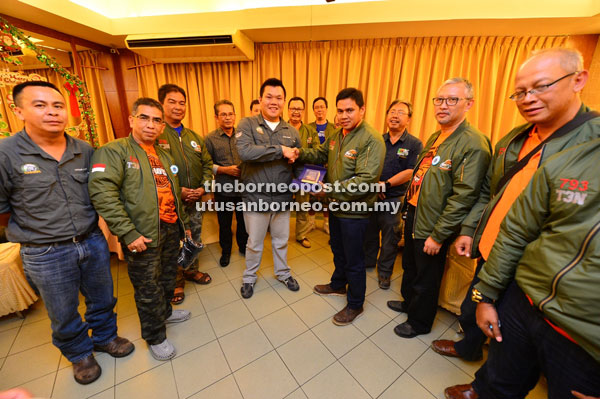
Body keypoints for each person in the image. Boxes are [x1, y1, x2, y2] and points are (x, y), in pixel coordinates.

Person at [441, 48, 600, 399]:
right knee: (488, 327)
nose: (528, 99)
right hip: (496, 250)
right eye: (520, 92)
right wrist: (471, 229)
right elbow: (488, 190)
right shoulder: (514, 139)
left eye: (540, 87)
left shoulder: (590, 147)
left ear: (579, 80)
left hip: (543, 278)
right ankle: (476, 366)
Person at [0, 81, 134, 385]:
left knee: (102, 297)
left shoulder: (85, 150)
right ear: (18, 110)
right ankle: (79, 353)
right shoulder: (6, 153)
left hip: (91, 240)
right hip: (45, 251)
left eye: (58, 106)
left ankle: (104, 337)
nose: (52, 112)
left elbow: (102, 192)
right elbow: (2, 209)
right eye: (40, 105)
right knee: (62, 309)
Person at [452, 139, 600, 399]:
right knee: (499, 382)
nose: (530, 98)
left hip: (583, 333)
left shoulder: (581, 136)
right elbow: (516, 230)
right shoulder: (570, 158)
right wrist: (486, 295)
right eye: (522, 93)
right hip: (524, 298)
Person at [88, 97, 192, 362]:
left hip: (169, 229)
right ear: (132, 120)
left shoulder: (164, 154)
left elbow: (173, 194)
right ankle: (155, 336)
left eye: (157, 120)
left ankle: (166, 313)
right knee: (148, 288)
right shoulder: (114, 151)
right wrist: (128, 233)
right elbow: (102, 193)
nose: (151, 125)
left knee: (168, 277)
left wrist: (184, 227)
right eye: (144, 118)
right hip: (142, 233)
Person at [387, 77, 491, 338]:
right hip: (414, 213)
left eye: (452, 100)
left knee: (427, 275)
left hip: (434, 223)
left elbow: (464, 196)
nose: (443, 106)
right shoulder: (438, 135)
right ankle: (409, 304)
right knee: (409, 265)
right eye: (439, 99)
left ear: (468, 104)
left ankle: (420, 322)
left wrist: (438, 235)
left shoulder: (473, 143)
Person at [297, 87, 385, 325]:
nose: (344, 115)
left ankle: (356, 304)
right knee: (338, 250)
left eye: (350, 110)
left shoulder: (371, 139)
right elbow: (319, 154)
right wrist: (298, 152)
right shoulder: (337, 135)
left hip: (355, 212)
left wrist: (329, 190)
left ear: (362, 110)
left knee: (354, 258)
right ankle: (338, 285)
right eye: (340, 110)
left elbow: (365, 180)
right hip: (336, 207)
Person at [235, 78, 301, 299]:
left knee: (281, 240)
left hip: (282, 197)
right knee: (254, 243)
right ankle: (249, 277)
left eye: (279, 98)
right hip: (255, 197)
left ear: (284, 101)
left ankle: (283, 273)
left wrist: (302, 168)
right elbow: (245, 152)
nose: (274, 102)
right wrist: (280, 150)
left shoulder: (291, 131)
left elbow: (298, 161)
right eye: (269, 97)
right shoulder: (247, 124)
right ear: (261, 98)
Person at [157, 84, 212, 305]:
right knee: (174, 243)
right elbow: (153, 169)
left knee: (194, 238)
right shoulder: (156, 135)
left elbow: (207, 164)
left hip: (196, 200)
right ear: (161, 104)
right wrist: (177, 190)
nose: (178, 107)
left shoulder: (194, 137)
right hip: (170, 202)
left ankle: (191, 270)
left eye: (182, 103)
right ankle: (176, 281)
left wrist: (203, 187)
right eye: (172, 101)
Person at [364, 100, 423, 289]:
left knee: (391, 236)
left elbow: (411, 171)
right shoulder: (377, 140)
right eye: (392, 111)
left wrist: (386, 185)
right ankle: (368, 261)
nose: (395, 115)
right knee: (370, 231)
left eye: (400, 112)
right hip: (374, 195)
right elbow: (367, 166)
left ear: (409, 119)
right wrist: (375, 186)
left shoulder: (414, 144)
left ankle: (384, 273)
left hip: (394, 198)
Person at [205, 100, 248, 267]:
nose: (228, 117)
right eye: (223, 114)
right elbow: (206, 164)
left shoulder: (244, 135)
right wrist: (224, 170)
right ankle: (226, 251)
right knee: (225, 224)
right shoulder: (210, 138)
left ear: (235, 115)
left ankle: (244, 247)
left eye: (230, 114)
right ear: (216, 117)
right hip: (223, 190)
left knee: (244, 222)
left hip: (244, 189)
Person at [287, 96, 318, 248]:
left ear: (303, 111)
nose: (296, 111)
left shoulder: (311, 131)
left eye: (299, 109)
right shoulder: (280, 129)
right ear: (288, 110)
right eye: (293, 108)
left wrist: (300, 153)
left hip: (304, 173)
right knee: (281, 206)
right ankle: (279, 234)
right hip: (283, 173)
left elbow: (317, 153)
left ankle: (301, 235)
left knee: (302, 206)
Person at [306, 96, 337, 234]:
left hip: (328, 167)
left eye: (322, 107)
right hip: (313, 167)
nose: (319, 110)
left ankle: (326, 223)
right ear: (313, 110)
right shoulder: (308, 127)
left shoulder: (333, 128)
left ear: (326, 109)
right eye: (316, 107)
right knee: (311, 196)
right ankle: (311, 222)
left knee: (327, 197)